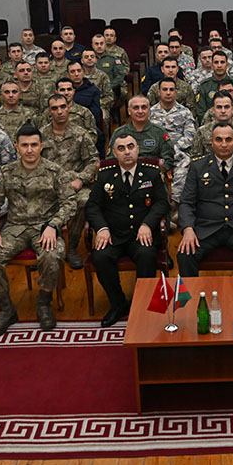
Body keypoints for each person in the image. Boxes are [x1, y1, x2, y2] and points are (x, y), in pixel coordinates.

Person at [0, 124, 77, 336]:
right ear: (16, 147)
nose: (30, 149)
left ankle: (44, 302)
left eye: (34, 144)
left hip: (44, 227)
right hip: (14, 227)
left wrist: (54, 224)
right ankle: (6, 309)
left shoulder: (54, 171)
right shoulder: (7, 172)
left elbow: (70, 201)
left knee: (52, 255)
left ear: (42, 146)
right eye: (24, 145)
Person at [87, 135, 170, 327]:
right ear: (114, 153)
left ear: (138, 149)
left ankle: (142, 305)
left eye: (130, 147)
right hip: (113, 234)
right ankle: (118, 305)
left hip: (141, 234)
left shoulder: (151, 173)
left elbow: (162, 203)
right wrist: (102, 228)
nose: (127, 151)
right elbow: (92, 206)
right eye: (121, 148)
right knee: (100, 257)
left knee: (146, 255)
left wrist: (148, 224)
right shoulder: (105, 175)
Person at [177, 123, 233, 277]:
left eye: (228, 139)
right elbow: (187, 202)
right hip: (207, 229)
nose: (224, 144)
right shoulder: (197, 167)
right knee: (185, 254)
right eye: (219, 139)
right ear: (211, 142)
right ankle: (192, 300)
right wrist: (188, 229)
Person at [41, 93, 98, 269]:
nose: (59, 111)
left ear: (69, 107)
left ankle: (70, 247)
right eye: (54, 108)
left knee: (85, 200)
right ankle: (44, 247)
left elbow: (94, 161)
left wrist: (81, 179)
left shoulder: (80, 134)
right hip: (48, 186)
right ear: (49, 111)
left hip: (75, 185)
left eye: (62, 107)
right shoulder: (41, 135)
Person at [149, 77, 196, 205]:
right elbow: (146, 136)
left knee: (184, 166)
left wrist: (173, 149)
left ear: (176, 92)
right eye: (165, 89)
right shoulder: (150, 113)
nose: (168, 92)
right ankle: (157, 204)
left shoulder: (185, 112)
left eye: (171, 89)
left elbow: (190, 136)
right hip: (155, 153)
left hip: (178, 153)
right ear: (159, 92)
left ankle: (174, 203)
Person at [109, 95, 176, 171]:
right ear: (129, 111)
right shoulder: (119, 133)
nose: (140, 111)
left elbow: (168, 159)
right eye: (136, 108)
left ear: (149, 110)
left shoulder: (160, 132)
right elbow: (111, 159)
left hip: (152, 176)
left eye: (144, 107)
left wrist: (157, 174)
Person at [189, 93, 233, 157]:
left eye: (226, 107)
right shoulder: (202, 131)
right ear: (213, 110)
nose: (223, 111)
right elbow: (195, 158)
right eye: (219, 107)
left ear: (232, 110)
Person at [196, 52, 233, 118]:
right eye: (216, 62)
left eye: (222, 62)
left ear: (227, 65)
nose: (219, 65)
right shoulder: (205, 85)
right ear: (212, 65)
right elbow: (201, 111)